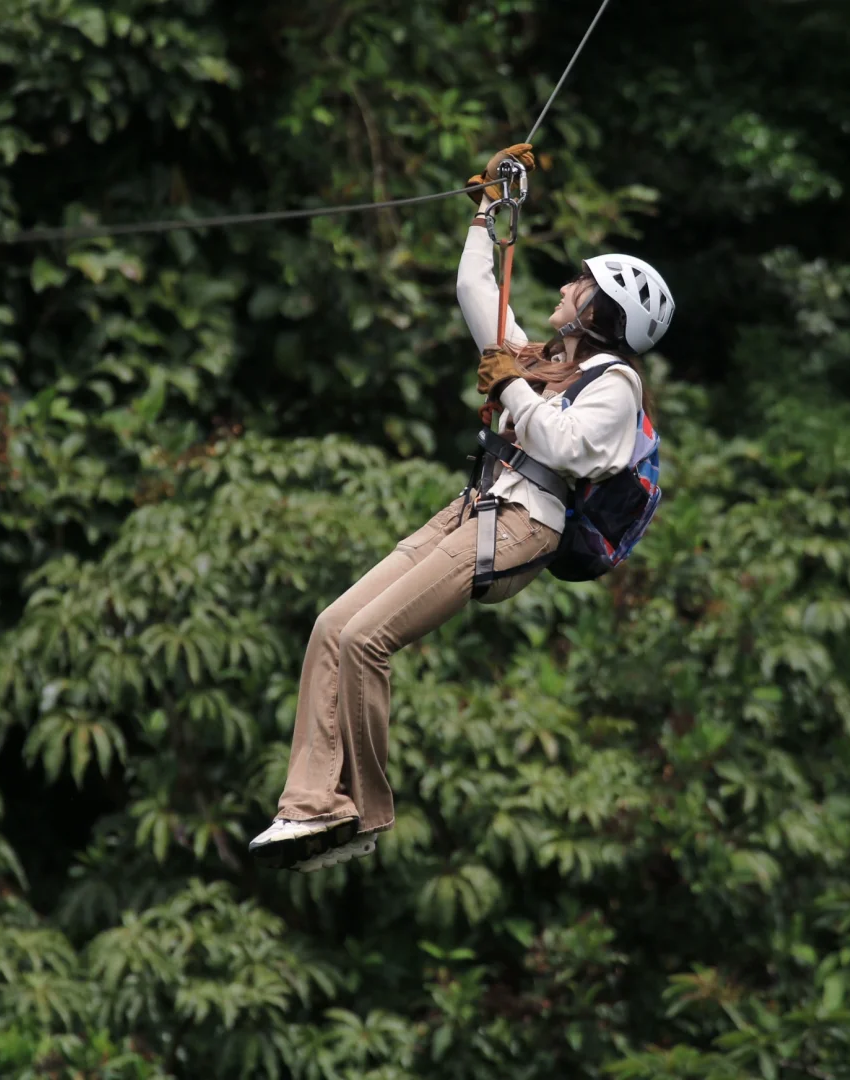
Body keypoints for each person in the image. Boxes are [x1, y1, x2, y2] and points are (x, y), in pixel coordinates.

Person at [248, 144, 676, 873]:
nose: (567, 284)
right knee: (332, 627)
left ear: (602, 310)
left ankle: (359, 815)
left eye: (580, 282)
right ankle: (310, 805)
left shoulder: (615, 386)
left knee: (367, 640)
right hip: (476, 509)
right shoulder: (544, 362)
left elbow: (567, 447)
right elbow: (475, 288)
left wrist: (510, 384)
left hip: (521, 528)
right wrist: (489, 210)